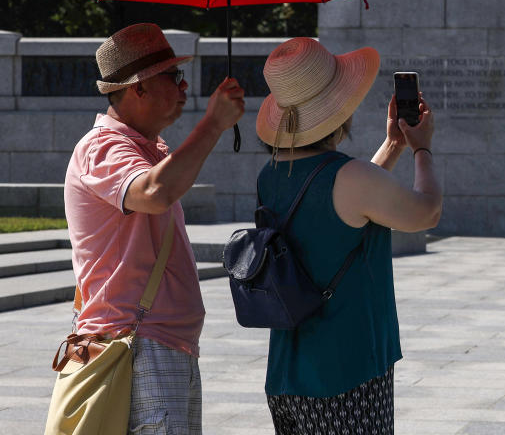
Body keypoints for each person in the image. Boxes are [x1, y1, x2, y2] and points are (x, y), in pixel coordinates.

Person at [64, 23, 245, 433]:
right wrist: (213, 125)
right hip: (138, 344)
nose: (184, 88)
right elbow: (154, 192)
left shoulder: (148, 147)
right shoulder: (103, 146)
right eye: (173, 77)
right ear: (137, 88)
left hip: (157, 343)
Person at [255, 36, 441, 435]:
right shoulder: (351, 176)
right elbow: (427, 212)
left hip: (288, 372)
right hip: (347, 370)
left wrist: (392, 144)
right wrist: (421, 150)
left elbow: (341, 201)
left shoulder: (270, 176)